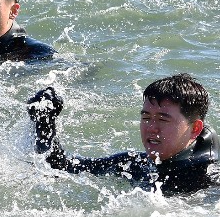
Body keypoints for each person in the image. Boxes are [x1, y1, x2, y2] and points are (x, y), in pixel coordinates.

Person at [27, 74, 220, 197]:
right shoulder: (135, 164)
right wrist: (44, 123)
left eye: (163, 120)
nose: (151, 128)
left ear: (195, 129)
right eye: (146, 117)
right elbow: (60, 168)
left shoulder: (210, 177)